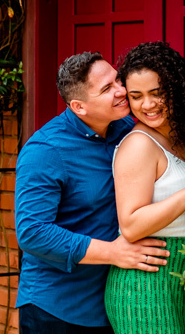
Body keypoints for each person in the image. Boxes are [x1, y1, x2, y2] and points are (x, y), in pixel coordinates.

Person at [15, 51, 172, 334]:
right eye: (107, 89)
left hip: (115, 301)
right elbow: (32, 231)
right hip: (57, 310)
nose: (122, 91)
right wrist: (112, 252)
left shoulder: (129, 129)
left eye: (117, 80)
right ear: (79, 106)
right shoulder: (45, 151)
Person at [105, 41, 185, 334]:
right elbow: (130, 225)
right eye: (136, 96)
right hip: (148, 283)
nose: (148, 105)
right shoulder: (138, 146)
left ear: (177, 89)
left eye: (157, 93)